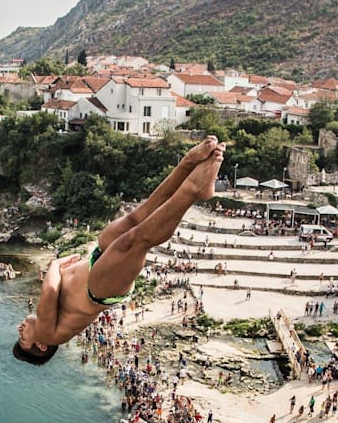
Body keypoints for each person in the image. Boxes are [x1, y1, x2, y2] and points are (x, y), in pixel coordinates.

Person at [14, 138, 225, 364]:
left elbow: (54, 292)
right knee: (136, 240)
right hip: (99, 289)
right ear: (42, 345)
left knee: (137, 216)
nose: (20, 330)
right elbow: (49, 291)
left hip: (97, 260)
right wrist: (55, 265)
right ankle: (194, 189)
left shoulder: (50, 328)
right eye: (23, 339)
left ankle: (187, 163)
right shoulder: (48, 335)